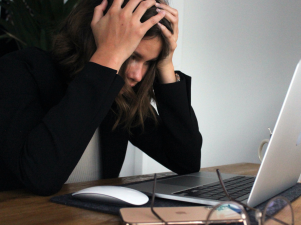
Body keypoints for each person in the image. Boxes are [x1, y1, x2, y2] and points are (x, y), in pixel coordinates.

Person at [0, 0, 202, 195]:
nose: (137, 75)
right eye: (132, 55)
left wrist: (165, 63)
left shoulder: (119, 96)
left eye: (149, 62)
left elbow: (186, 162)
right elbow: (40, 178)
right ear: (93, 35)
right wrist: (108, 56)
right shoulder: (19, 70)